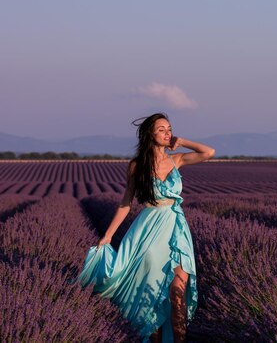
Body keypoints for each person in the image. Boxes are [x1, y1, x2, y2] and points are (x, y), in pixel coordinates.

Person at [77, 113, 215, 343]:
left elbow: (208, 152)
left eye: (169, 128)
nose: (167, 132)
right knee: (150, 296)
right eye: (161, 129)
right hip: (149, 229)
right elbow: (125, 203)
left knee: (177, 293)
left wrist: (181, 141)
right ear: (149, 133)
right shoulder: (136, 166)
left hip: (176, 228)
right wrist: (108, 236)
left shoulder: (177, 159)